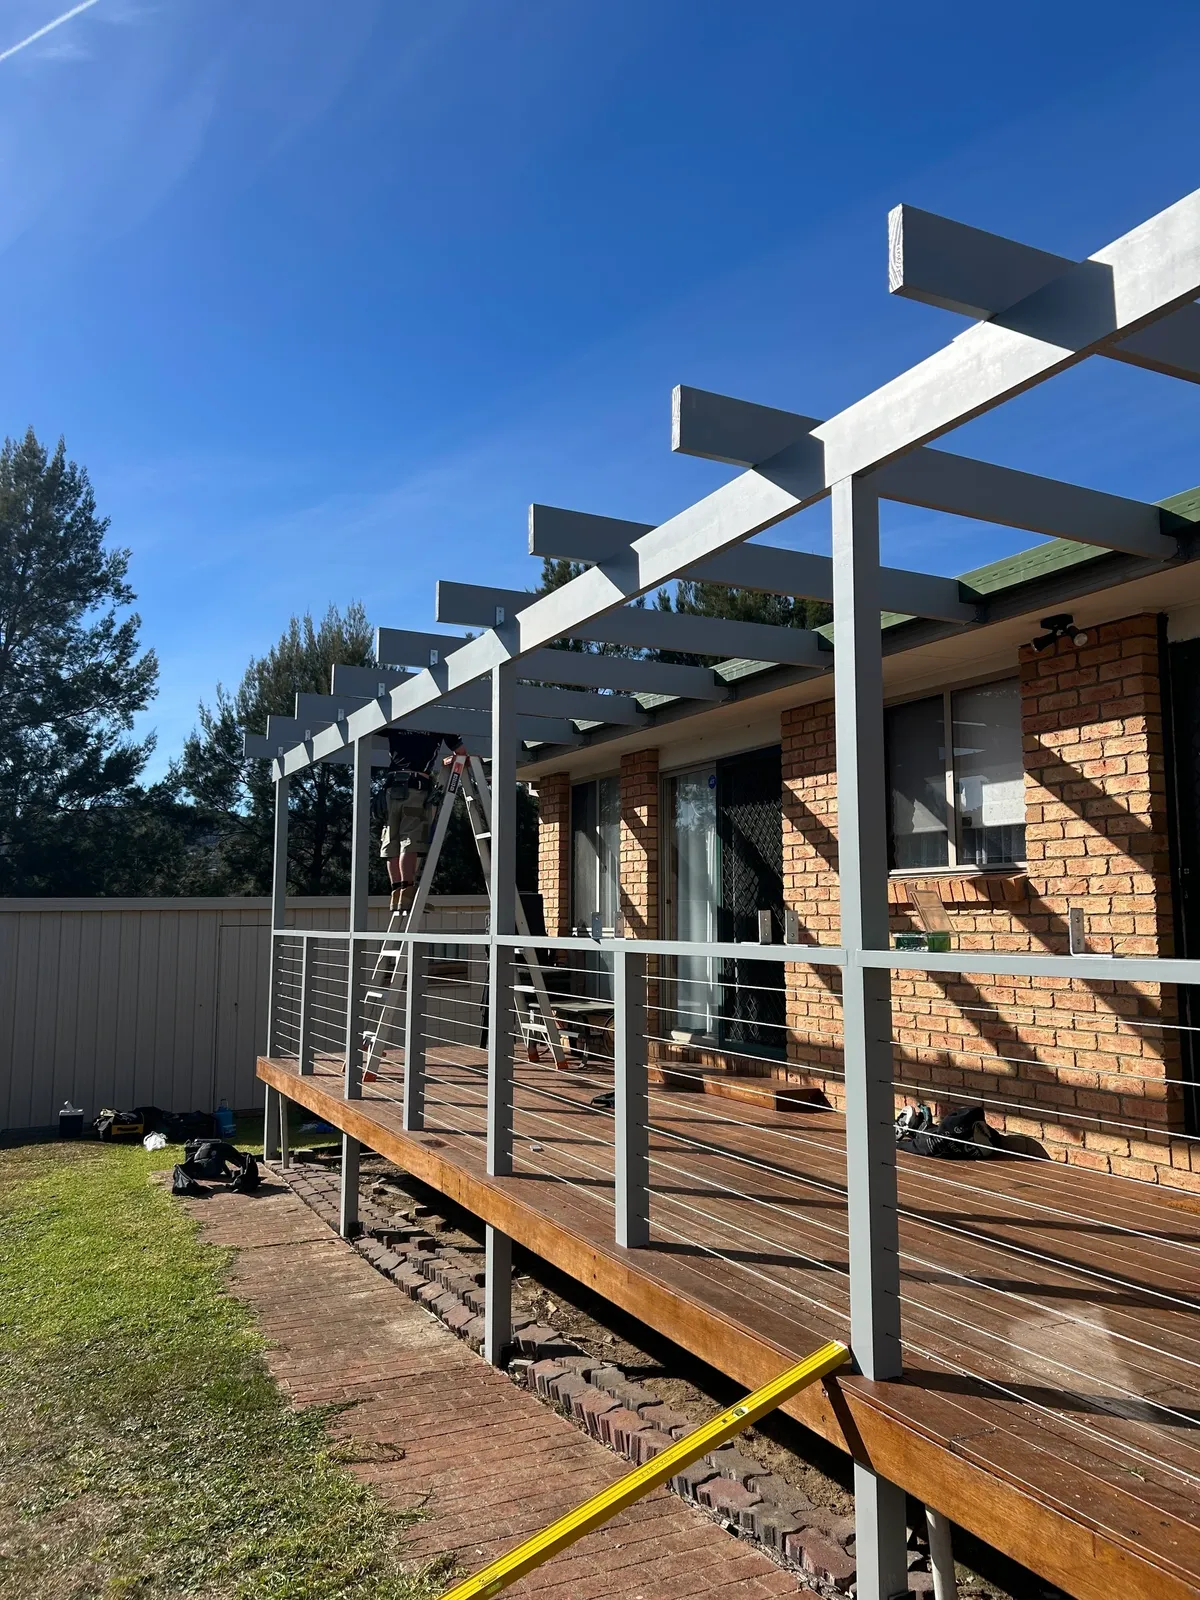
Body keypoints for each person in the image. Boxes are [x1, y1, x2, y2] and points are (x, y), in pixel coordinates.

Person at [376, 730, 462, 915]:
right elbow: (461, 753)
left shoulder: (399, 721)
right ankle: (408, 892)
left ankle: (397, 894)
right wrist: (453, 759)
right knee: (410, 839)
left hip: (392, 787)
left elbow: (376, 727)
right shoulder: (440, 725)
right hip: (416, 787)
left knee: (391, 840)